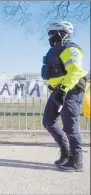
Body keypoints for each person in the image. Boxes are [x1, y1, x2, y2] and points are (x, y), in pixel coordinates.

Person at [41, 21, 88, 172]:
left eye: (52, 33)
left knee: (70, 126)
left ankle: (76, 161)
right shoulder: (57, 49)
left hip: (71, 89)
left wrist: (63, 89)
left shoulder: (70, 48)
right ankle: (66, 152)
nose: (50, 37)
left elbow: (74, 71)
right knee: (48, 121)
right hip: (59, 89)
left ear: (62, 33)